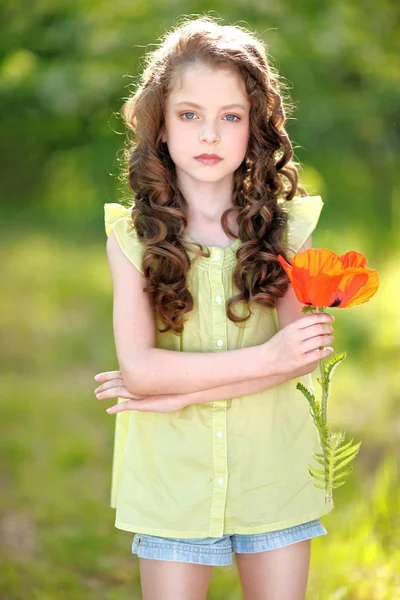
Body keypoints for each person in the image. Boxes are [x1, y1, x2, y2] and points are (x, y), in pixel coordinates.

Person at [93, 15, 336, 600]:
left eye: (230, 116)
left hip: (274, 469)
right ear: (161, 126)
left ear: (256, 126)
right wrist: (268, 356)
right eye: (189, 115)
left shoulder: (290, 231)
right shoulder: (131, 237)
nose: (208, 134)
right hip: (170, 477)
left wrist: (177, 393)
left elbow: (305, 356)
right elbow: (142, 372)